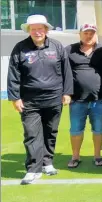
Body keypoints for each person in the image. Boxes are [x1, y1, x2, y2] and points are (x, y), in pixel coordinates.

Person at [7, 14, 73, 184]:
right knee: (31, 134)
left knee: (50, 132)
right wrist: (15, 97)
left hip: (54, 98)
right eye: (33, 29)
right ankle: (32, 169)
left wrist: (67, 93)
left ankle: (47, 162)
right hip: (30, 100)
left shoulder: (57, 46)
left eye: (40, 28)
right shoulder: (20, 48)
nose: (37, 32)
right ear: (29, 30)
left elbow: (67, 71)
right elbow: (13, 74)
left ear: (46, 29)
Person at [66, 23, 102, 169]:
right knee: (76, 130)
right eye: (86, 33)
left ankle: (97, 155)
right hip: (77, 100)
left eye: (92, 33)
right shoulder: (70, 50)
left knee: (98, 129)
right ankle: (75, 156)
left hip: (99, 100)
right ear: (80, 34)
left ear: (96, 34)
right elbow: (63, 72)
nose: (89, 35)